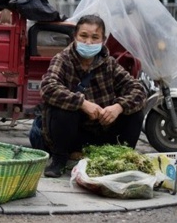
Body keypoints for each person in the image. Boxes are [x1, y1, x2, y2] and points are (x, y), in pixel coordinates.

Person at [39, 14, 146, 178]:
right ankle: (59, 161)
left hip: (103, 130)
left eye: (95, 37)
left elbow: (138, 90)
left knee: (135, 110)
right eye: (83, 36)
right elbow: (48, 88)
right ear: (75, 36)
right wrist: (82, 103)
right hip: (72, 134)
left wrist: (118, 107)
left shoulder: (109, 63)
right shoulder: (62, 60)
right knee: (63, 110)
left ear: (103, 40)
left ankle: (122, 157)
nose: (88, 42)